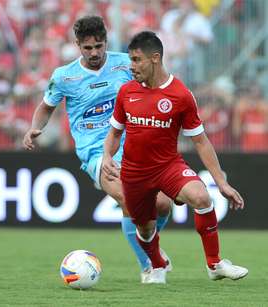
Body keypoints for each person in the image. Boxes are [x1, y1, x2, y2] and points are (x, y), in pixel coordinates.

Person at [22, 16, 172, 283]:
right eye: (87, 48)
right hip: (96, 153)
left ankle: (153, 248)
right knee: (129, 199)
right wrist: (36, 127)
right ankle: (149, 265)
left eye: (99, 46)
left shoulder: (125, 64)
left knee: (163, 204)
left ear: (106, 41)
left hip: (136, 144)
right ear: (77, 45)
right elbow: (46, 106)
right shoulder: (65, 76)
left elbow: (152, 88)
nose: (94, 53)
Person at [102, 31, 248, 284]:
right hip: (134, 173)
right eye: (131, 60)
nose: (131, 66)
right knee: (145, 230)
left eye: (137, 60)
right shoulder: (126, 92)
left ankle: (214, 263)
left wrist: (221, 182)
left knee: (202, 197)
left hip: (168, 166)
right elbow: (115, 133)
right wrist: (106, 156)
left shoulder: (180, 94)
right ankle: (158, 264)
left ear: (155, 58)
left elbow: (200, 140)